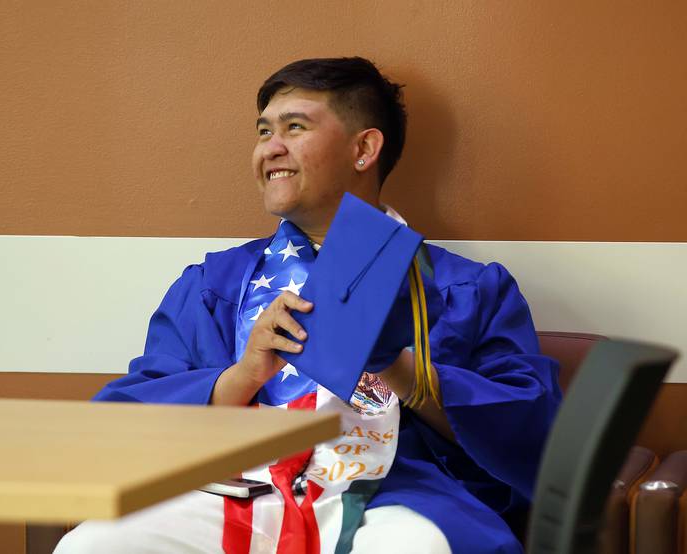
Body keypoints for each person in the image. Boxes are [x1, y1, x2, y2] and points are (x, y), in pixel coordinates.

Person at [55, 57, 561, 554]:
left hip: (391, 493)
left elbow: (532, 433)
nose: (269, 149)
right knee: (98, 543)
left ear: (364, 148)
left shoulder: (464, 289)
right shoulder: (216, 284)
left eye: (294, 127)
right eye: (262, 132)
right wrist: (243, 376)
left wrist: (400, 369)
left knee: (419, 546)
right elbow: (128, 418)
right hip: (232, 486)